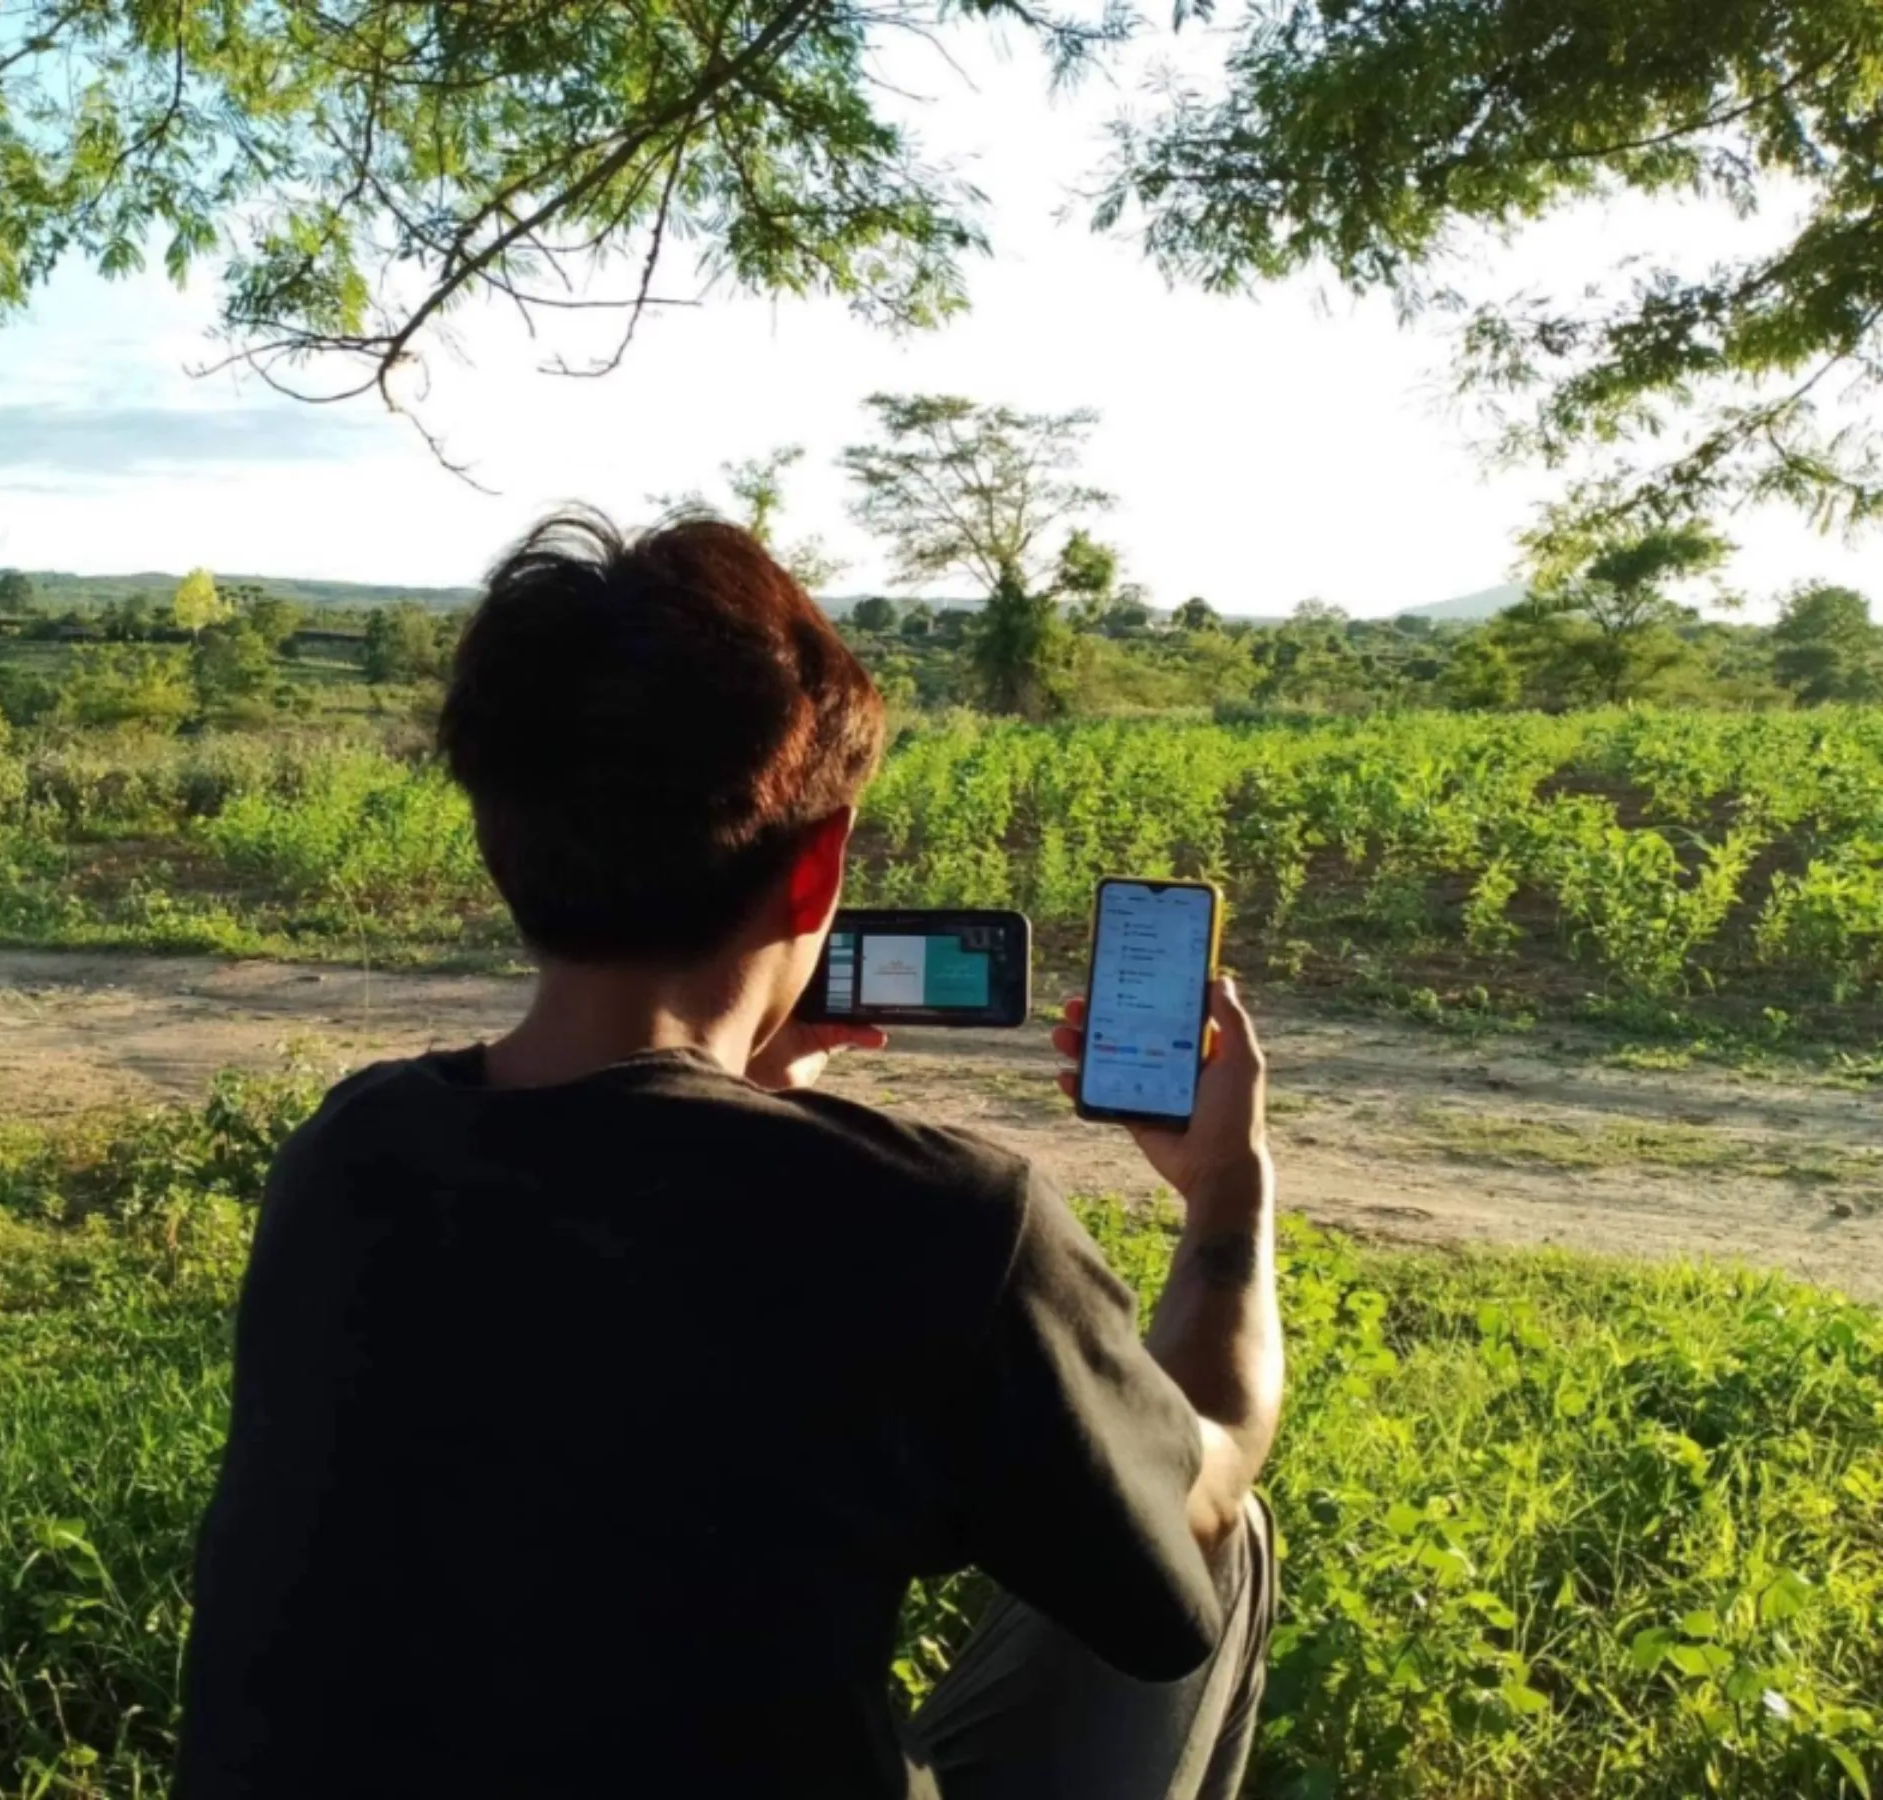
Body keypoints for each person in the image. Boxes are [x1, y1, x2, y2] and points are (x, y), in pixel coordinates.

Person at [178, 513, 1284, 1800]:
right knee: (1222, 1529)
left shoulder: (347, 1153)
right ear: (816, 872)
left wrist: (737, 1092)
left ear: (499, 843)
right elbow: (1199, 1486)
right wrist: (1228, 1184)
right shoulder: (942, 1225)